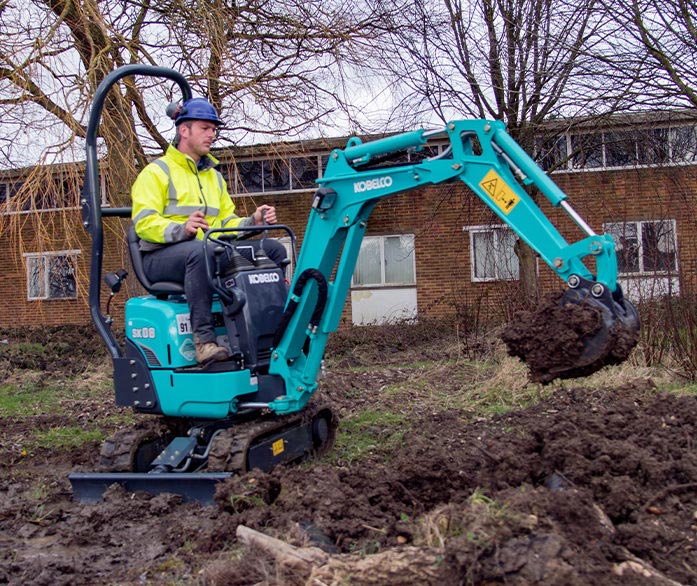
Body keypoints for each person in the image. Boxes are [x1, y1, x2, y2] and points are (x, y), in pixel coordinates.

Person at [131, 97, 287, 365]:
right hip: (160, 257)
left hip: (207, 251)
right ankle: (203, 342)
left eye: (214, 129)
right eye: (205, 128)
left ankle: (273, 332)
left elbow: (225, 223)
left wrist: (253, 221)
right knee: (200, 251)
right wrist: (182, 229)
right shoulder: (156, 172)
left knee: (272, 249)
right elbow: (144, 223)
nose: (212, 135)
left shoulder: (213, 177)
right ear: (184, 130)